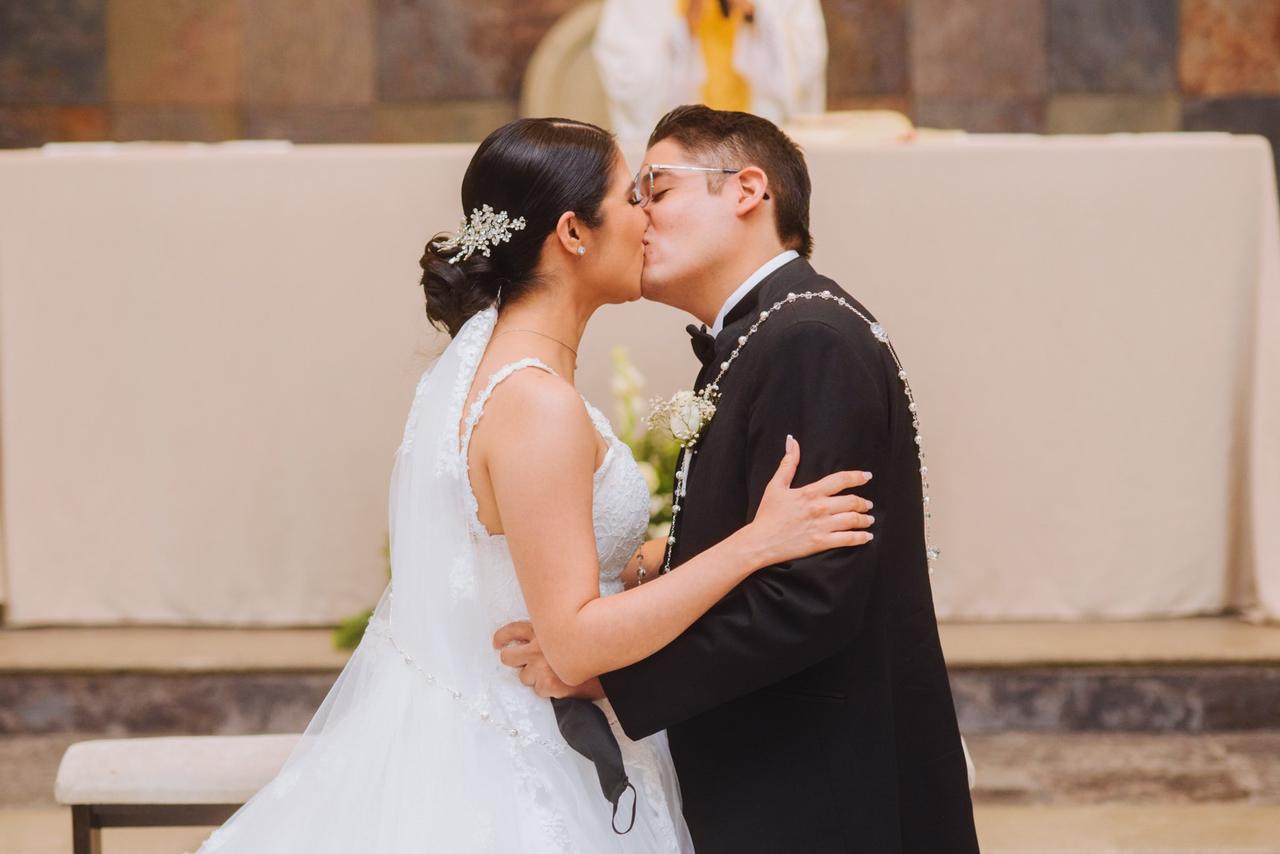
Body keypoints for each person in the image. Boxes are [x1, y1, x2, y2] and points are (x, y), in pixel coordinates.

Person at [187, 116, 873, 853]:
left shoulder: (503, 379)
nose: (650, 217)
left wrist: (655, 557)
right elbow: (573, 644)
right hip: (525, 755)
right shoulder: (535, 401)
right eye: (632, 197)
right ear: (574, 233)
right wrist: (753, 545)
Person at [497, 106, 980, 853]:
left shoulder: (808, 341)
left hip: (823, 788)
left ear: (748, 189)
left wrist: (615, 678)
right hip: (789, 769)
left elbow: (809, 598)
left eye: (654, 187)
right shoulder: (771, 332)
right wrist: (671, 557)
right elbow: (774, 548)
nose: (639, 217)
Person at [593, 0, 827, 149]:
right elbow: (625, 72)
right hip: (681, 148)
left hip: (758, 144)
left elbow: (806, 55)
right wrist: (683, 30)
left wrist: (755, 16)